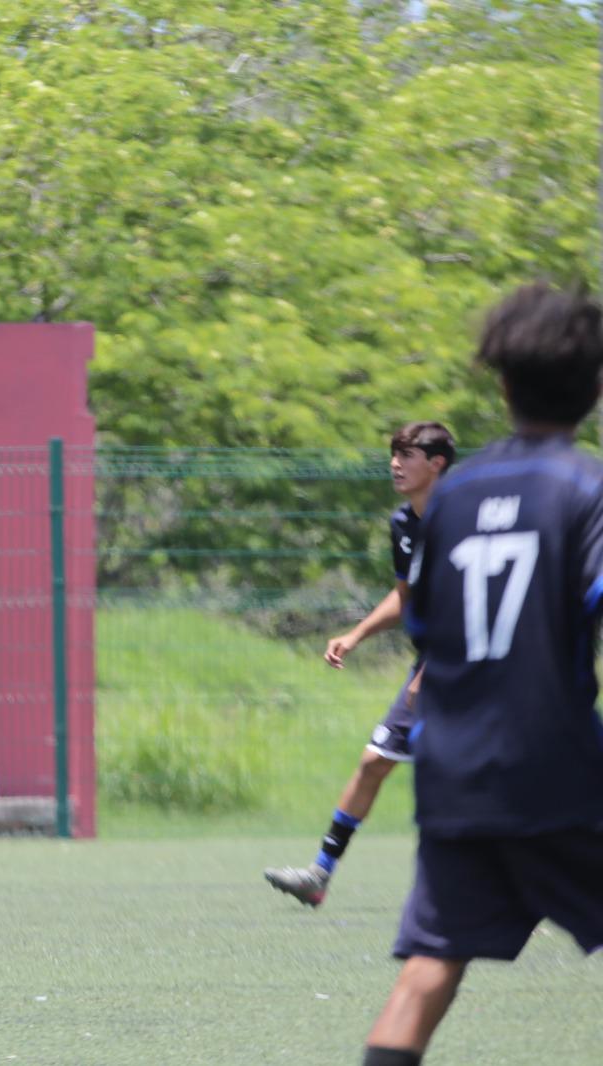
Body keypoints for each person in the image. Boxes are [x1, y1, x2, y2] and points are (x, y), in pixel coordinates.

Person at [361, 284, 603, 1065]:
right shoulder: (586, 489)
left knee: (429, 969)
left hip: (456, 772)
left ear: (501, 387)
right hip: (557, 770)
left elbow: (426, 622)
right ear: (595, 388)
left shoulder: (456, 493)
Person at [265, 422, 455, 907]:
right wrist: (355, 636)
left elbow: (475, 603)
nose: (395, 463)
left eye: (407, 455)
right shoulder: (402, 524)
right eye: (394, 453)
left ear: (437, 464)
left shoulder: (462, 521)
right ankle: (319, 874)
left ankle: (528, 888)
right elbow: (406, 597)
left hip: (478, 666)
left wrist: (434, 667)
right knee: (375, 762)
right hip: (434, 664)